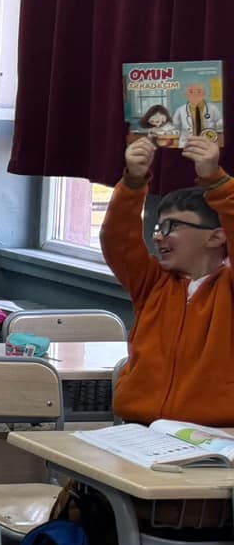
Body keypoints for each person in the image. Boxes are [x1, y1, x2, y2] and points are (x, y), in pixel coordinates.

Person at [102, 132, 232, 425]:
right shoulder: (152, 283)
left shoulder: (228, 289)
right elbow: (117, 238)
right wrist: (134, 182)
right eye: (159, 227)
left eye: (172, 226)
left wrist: (216, 181)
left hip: (214, 433)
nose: (159, 236)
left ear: (216, 237)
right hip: (140, 428)